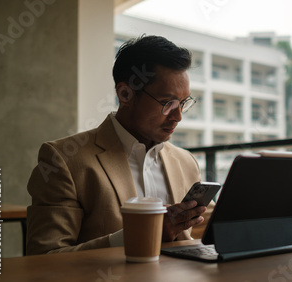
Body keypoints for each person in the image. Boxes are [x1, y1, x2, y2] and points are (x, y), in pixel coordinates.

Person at [26, 35, 213, 255]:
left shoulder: (186, 162)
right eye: (167, 103)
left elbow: (210, 228)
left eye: (182, 103)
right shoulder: (63, 160)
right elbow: (45, 257)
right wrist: (141, 233)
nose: (178, 116)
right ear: (125, 94)